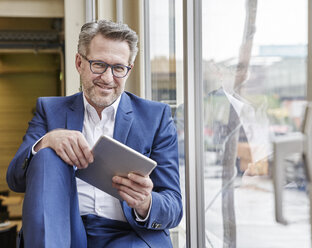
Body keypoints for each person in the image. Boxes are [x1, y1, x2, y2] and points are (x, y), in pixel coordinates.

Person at [6, 20, 183, 248]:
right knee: (47, 154)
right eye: (98, 64)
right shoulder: (49, 110)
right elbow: (15, 179)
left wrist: (145, 203)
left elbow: (174, 206)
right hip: (64, 232)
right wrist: (47, 141)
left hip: (129, 236)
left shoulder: (156, 117)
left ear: (129, 69)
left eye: (118, 68)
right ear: (79, 62)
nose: (108, 78)